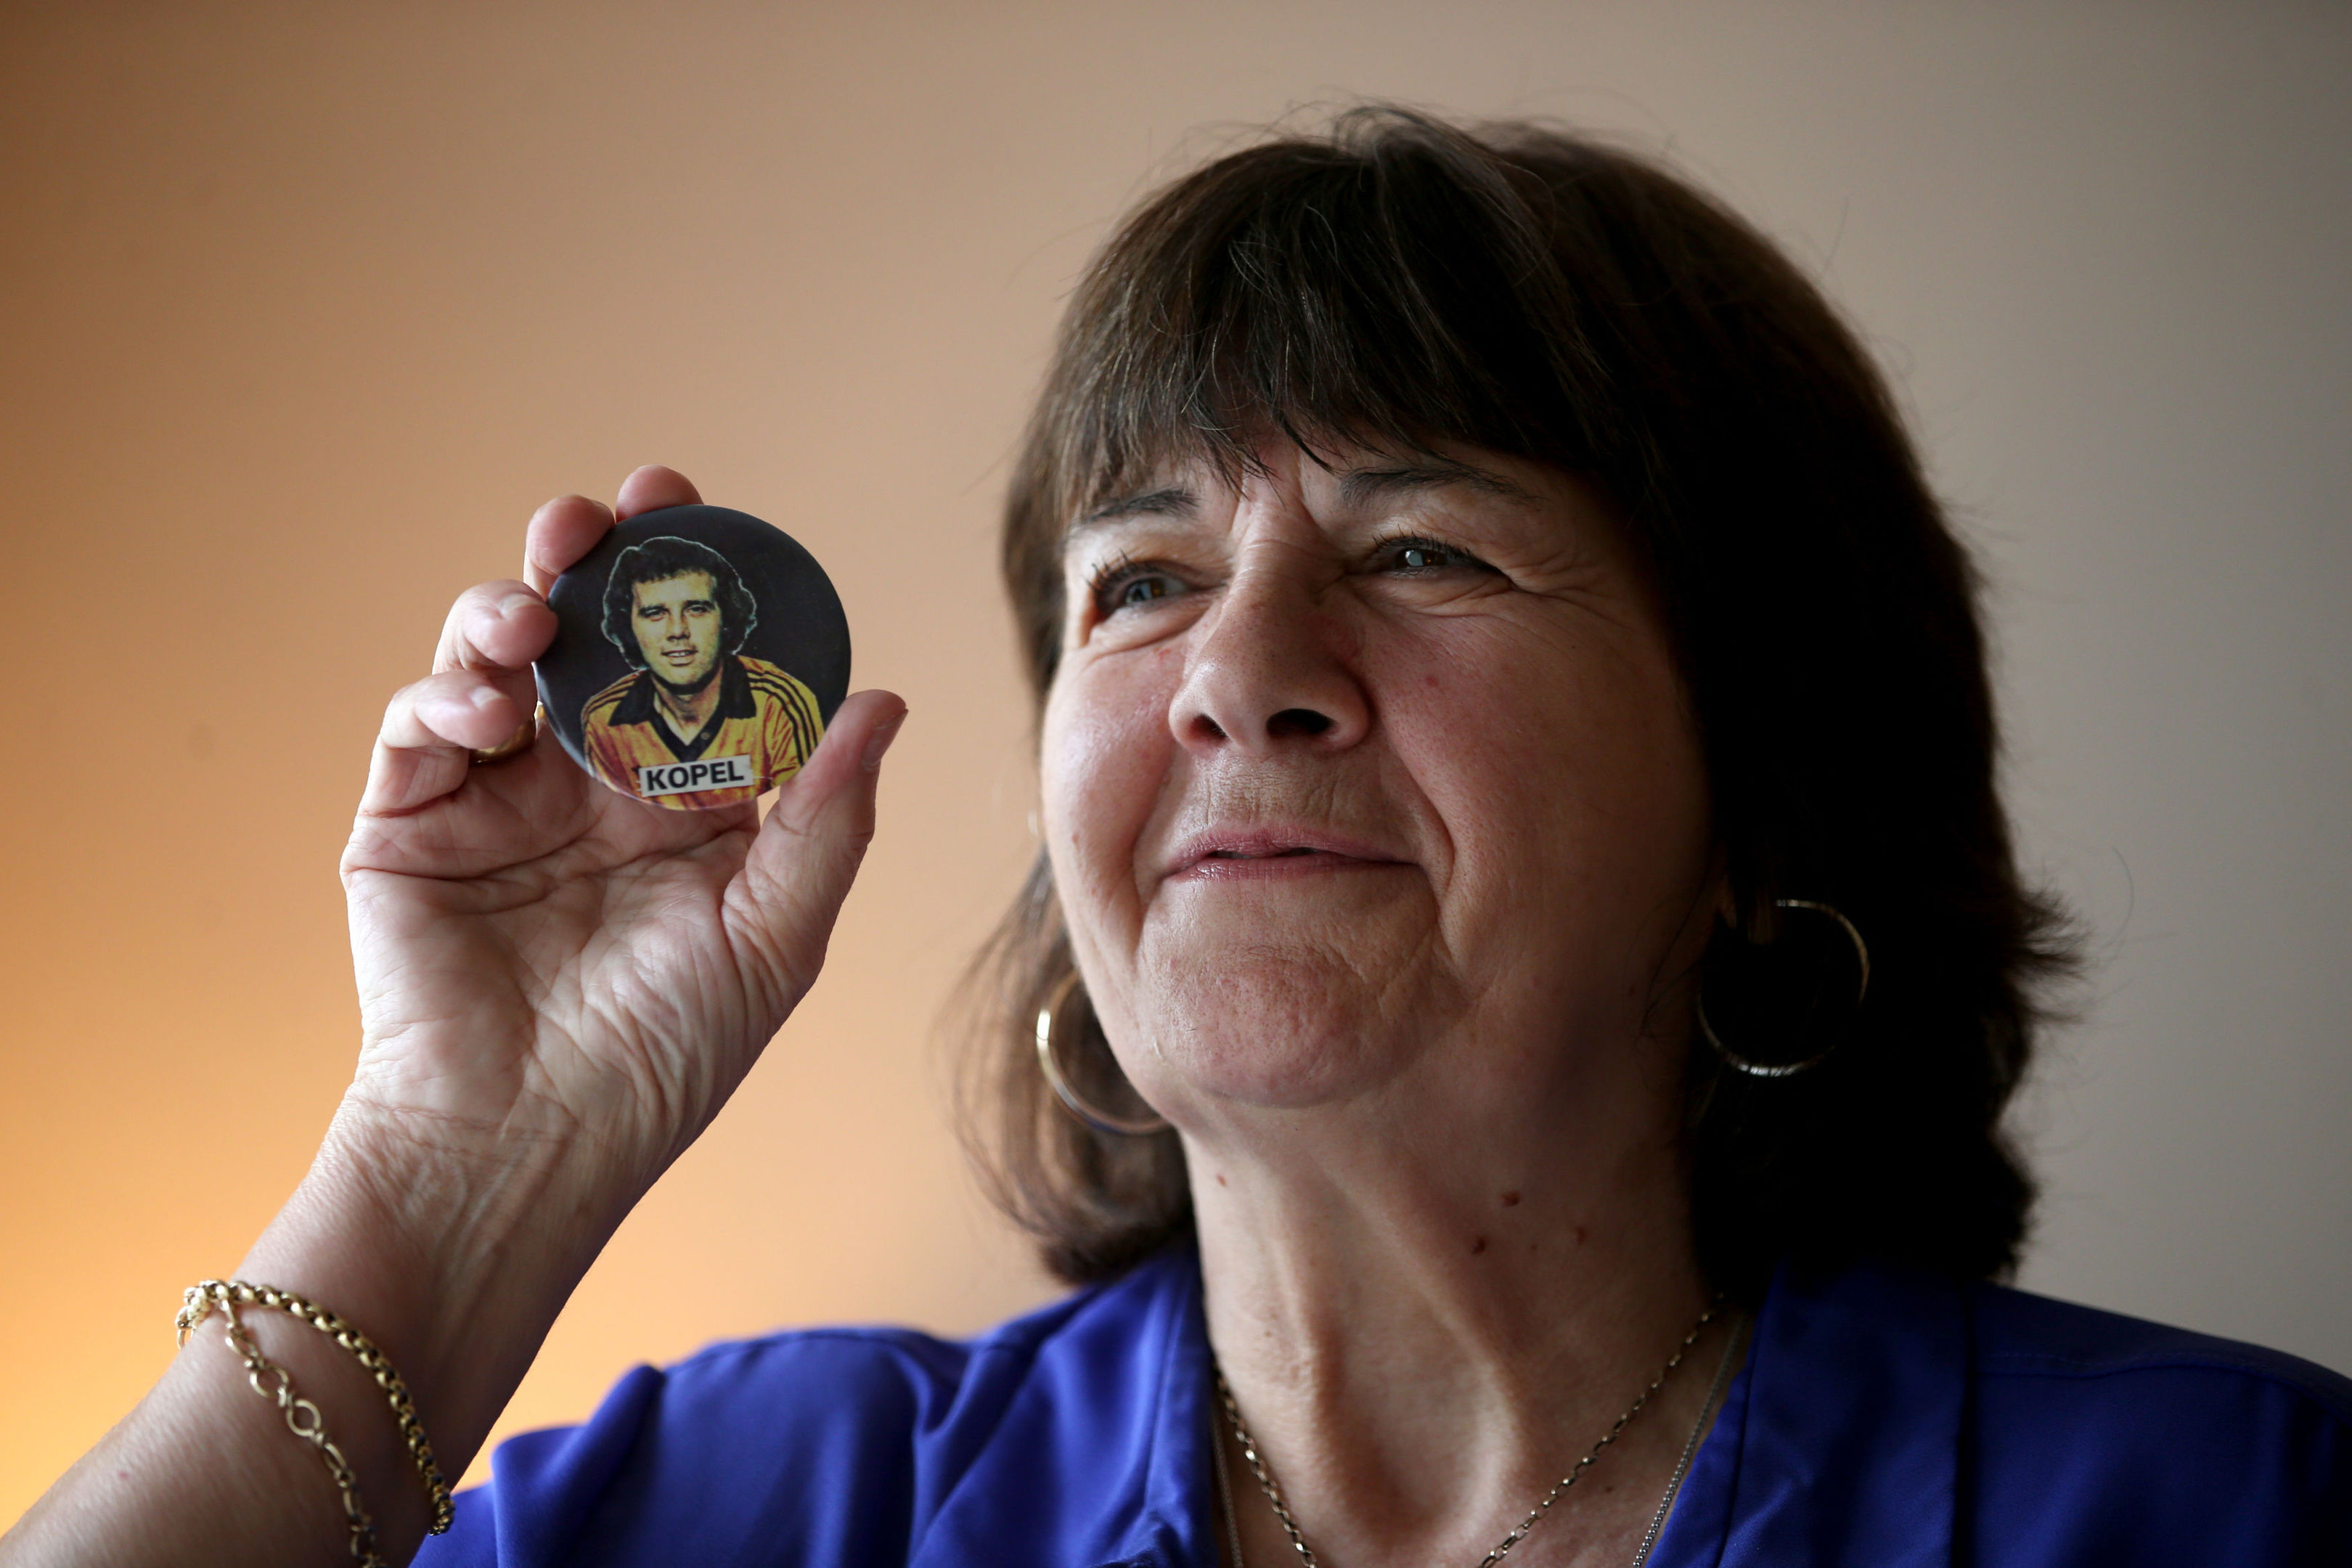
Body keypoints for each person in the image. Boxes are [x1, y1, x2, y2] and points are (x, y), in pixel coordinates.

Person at [4, 107, 2347, 1568]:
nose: (1237, 665)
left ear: (1768, 792)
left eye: (1422, 546)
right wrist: (448, 1171)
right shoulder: (764, 1511)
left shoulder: (2236, 1515)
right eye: (1137, 581)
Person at [579, 534, 824, 807]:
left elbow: (804, 807)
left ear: (727, 618)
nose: (677, 631)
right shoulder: (605, 719)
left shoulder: (780, 703)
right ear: (628, 627)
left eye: (696, 609)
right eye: (655, 613)